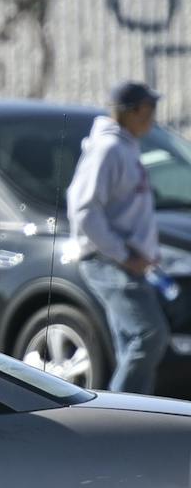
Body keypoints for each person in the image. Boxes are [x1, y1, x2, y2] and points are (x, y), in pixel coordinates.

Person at [66, 81, 169, 394]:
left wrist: (146, 252)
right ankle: (121, 414)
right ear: (134, 111)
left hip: (127, 261)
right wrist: (124, 255)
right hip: (109, 261)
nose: (153, 117)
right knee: (149, 335)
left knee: (131, 343)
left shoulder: (125, 146)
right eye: (149, 110)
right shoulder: (108, 148)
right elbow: (83, 209)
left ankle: (132, 422)